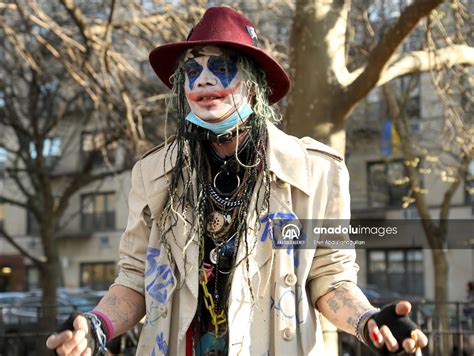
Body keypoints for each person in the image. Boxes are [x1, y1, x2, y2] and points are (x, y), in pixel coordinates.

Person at [46, 6, 428, 355]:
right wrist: (95, 326)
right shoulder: (153, 174)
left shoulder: (317, 173)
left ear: (255, 83)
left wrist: (369, 321)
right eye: (192, 72)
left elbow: (331, 278)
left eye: (222, 67)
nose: (203, 81)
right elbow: (134, 281)